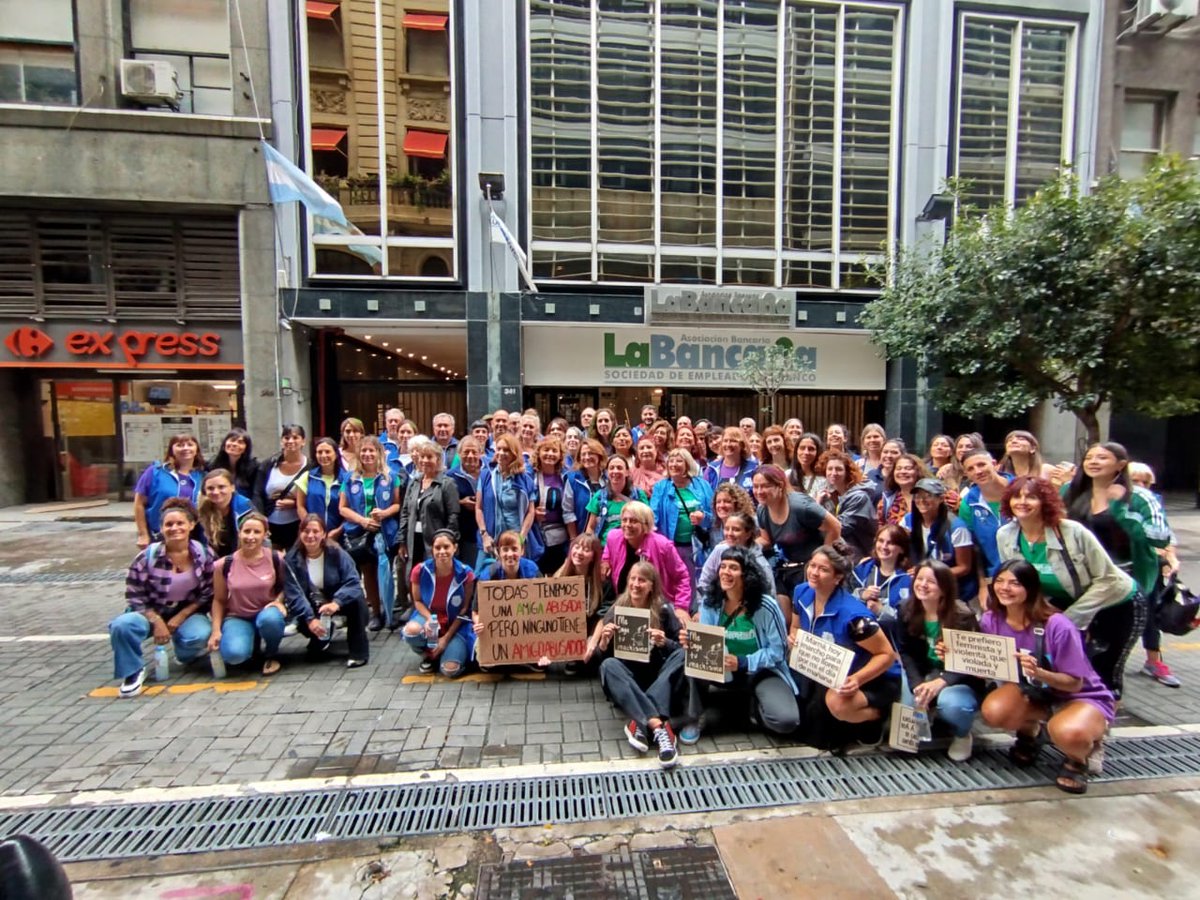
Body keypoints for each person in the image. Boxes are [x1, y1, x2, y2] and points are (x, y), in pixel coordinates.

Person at [997, 476, 1141, 698]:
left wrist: (1068, 619)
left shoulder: (1072, 532)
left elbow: (1108, 579)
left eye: (1031, 497)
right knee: (1065, 667)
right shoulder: (1005, 535)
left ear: (1045, 502)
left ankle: (1100, 724)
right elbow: (1021, 582)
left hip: (1115, 603)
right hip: (1064, 604)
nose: (1022, 502)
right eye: (1017, 496)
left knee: (1104, 672)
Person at [979, 560, 1115, 794]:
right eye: (1000, 581)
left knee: (1069, 733)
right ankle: (1030, 732)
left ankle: (1079, 757)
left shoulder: (1057, 625)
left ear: (1030, 588)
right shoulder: (991, 620)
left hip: (1080, 696)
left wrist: (1040, 673)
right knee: (994, 710)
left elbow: (1075, 682)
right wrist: (952, 654)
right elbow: (991, 663)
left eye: (1015, 583)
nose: (1005, 588)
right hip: (1034, 693)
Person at [1062, 443, 1172, 684]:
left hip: (1127, 581)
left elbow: (1159, 536)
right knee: (1082, 640)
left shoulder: (1140, 497)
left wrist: (1121, 509)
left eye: (1102, 457)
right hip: (1084, 580)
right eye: (1089, 457)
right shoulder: (1072, 491)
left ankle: (1108, 695)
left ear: (1121, 465)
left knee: (1113, 648)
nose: (1093, 461)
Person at [789, 542, 901, 749]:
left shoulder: (854, 617)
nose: (814, 572)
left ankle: (879, 716)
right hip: (827, 668)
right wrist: (794, 637)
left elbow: (886, 656)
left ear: (838, 577)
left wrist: (857, 679)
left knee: (837, 704)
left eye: (823, 570)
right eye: (812, 565)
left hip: (872, 677)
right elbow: (795, 627)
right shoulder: (801, 592)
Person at [682, 546, 799, 742]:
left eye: (733, 568)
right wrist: (692, 642)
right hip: (719, 669)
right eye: (723, 566)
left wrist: (742, 662)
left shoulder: (766, 606)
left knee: (786, 722)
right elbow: (706, 642)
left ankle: (755, 705)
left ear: (747, 575)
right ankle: (694, 716)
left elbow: (778, 652)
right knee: (689, 662)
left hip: (760, 671)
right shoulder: (711, 602)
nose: (726, 572)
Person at [111, 498, 215, 697]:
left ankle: (184, 655)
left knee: (200, 634)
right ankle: (133, 670)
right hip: (150, 611)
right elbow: (134, 596)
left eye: (180, 523)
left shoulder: (204, 554)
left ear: (191, 525)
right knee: (121, 626)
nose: (174, 528)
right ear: (161, 528)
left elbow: (207, 594)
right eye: (169, 524)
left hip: (185, 612)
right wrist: (157, 620)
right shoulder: (145, 558)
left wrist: (181, 616)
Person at [585, 560, 685, 767]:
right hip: (628, 676)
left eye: (642, 580)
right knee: (608, 666)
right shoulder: (618, 608)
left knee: (684, 658)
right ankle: (658, 727)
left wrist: (664, 642)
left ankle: (639, 722)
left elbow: (680, 650)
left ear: (652, 586)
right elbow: (600, 660)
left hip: (656, 676)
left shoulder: (664, 610)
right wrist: (603, 642)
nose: (636, 584)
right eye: (633, 579)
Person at [896, 560, 983, 761]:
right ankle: (927, 718)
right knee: (911, 705)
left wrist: (940, 682)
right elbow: (906, 652)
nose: (923, 585)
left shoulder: (963, 616)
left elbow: (972, 660)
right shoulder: (905, 609)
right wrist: (917, 685)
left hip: (958, 678)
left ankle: (962, 734)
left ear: (945, 587)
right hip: (923, 670)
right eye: (920, 579)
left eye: (931, 582)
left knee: (952, 705)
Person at [753, 464, 842, 627]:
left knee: (803, 623)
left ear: (779, 485)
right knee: (783, 621)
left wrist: (822, 560)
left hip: (812, 569)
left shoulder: (800, 506)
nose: (759, 491)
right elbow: (766, 540)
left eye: (765, 486)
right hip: (786, 568)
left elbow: (835, 527)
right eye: (755, 486)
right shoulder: (762, 510)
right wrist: (742, 545)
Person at [207, 512, 290, 676]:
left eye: (256, 532)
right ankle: (251, 646)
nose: (250, 537)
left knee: (270, 620)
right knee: (234, 656)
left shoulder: (276, 558)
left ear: (265, 535)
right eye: (247, 531)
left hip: (267, 611)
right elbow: (219, 600)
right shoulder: (224, 564)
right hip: (237, 616)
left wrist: (280, 600)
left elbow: (287, 586)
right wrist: (216, 630)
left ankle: (271, 653)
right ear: (239, 532)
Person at [283, 514, 370, 668]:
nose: (310, 536)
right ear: (300, 533)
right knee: (303, 618)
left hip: (337, 599)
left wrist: (337, 602)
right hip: (311, 603)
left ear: (323, 533)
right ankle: (321, 636)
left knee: (356, 603)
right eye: (306, 531)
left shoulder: (337, 553)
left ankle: (358, 652)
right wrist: (310, 619)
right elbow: (294, 593)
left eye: (315, 531)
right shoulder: (291, 559)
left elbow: (353, 582)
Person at [339, 435, 403, 632]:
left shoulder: (391, 476)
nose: (367, 454)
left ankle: (390, 611)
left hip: (386, 533)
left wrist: (383, 514)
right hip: (360, 533)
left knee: (388, 573)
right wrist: (362, 520)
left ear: (379, 453)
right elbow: (343, 508)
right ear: (359, 454)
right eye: (364, 451)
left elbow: (397, 504)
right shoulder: (350, 478)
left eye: (371, 450)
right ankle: (375, 613)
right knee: (369, 574)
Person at [1129, 461, 1183, 686]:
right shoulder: (1111, 503)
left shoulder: (1152, 503)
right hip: (1119, 568)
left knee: (1150, 616)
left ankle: (1153, 661)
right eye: (1135, 481)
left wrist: (1171, 558)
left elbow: (1166, 535)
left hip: (1147, 569)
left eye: (1145, 482)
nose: (1141, 486)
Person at [601, 500, 692, 622]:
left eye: (633, 521)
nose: (627, 525)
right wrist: (605, 560)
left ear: (646, 525)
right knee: (603, 623)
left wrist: (681, 607)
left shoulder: (662, 545)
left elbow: (682, 576)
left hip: (656, 605)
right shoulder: (614, 537)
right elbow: (608, 547)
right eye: (624, 520)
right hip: (624, 602)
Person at [404, 529, 475, 677]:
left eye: (446, 547)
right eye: (437, 548)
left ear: (455, 548)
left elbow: (464, 610)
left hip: (455, 625)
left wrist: (445, 638)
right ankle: (428, 656)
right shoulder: (420, 570)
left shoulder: (466, 573)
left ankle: (450, 651)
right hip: (430, 618)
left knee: (450, 670)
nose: (442, 551)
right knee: (411, 631)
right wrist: (430, 619)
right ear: (432, 549)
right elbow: (417, 601)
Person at [398, 437, 461, 586]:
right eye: (422, 457)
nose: (425, 460)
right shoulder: (414, 482)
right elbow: (405, 512)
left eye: (429, 457)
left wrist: (447, 540)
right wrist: (402, 541)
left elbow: (453, 515)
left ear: (438, 460)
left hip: (436, 541)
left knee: (434, 579)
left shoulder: (447, 483)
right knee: (415, 578)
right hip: (414, 539)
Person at [649, 448, 714, 589]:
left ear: (688, 464)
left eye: (679, 461)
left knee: (697, 584)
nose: (674, 464)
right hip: (671, 546)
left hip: (697, 547)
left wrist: (703, 517)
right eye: (671, 461)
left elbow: (714, 516)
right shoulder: (661, 486)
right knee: (672, 584)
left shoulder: (702, 485)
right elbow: (653, 516)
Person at [904, 478, 977, 603]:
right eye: (917, 496)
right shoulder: (908, 521)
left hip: (954, 590)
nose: (921, 500)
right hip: (922, 586)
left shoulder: (956, 527)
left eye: (928, 496)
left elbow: (964, 567)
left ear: (941, 499)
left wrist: (929, 573)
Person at [476, 433, 543, 565]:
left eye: (506, 450)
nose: (501, 453)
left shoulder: (525, 479)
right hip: (491, 539)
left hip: (515, 540)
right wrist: (484, 535)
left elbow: (530, 512)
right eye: (498, 449)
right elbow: (478, 508)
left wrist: (521, 538)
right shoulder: (485, 476)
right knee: (481, 579)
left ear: (514, 453)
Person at [134, 432, 205, 549]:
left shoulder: (202, 475)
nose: (185, 448)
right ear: (172, 450)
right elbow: (139, 503)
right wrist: (143, 534)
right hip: (160, 535)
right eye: (180, 445)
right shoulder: (155, 472)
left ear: (196, 449)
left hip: (194, 536)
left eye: (190, 444)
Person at [957, 448, 1012, 579]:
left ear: (994, 464)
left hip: (1033, 574)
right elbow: (975, 547)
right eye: (971, 469)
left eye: (982, 464)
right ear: (966, 474)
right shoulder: (968, 503)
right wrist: (983, 583)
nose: (978, 471)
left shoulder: (1021, 489)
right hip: (997, 576)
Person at [252, 424, 308, 550]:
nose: (291, 441)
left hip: (297, 525)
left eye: (295, 437)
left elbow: (313, 495)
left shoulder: (310, 466)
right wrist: (261, 520)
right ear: (281, 441)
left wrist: (295, 503)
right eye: (286, 438)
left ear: (303, 441)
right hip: (270, 524)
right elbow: (257, 493)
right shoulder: (269, 464)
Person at [695, 511, 774, 598]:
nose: (729, 534)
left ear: (748, 534)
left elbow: (770, 597)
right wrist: (710, 606)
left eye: (736, 529)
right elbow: (704, 582)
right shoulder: (719, 550)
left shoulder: (761, 564)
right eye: (727, 529)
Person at [816, 450, 877, 562]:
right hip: (842, 555)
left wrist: (816, 508)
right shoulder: (831, 496)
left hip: (859, 557)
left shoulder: (859, 497)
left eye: (838, 469)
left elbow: (839, 527)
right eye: (830, 469)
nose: (833, 473)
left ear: (847, 472)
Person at [850, 525, 913, 627]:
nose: (884, 546)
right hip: (857, 634)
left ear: (902, 549)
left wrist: (881, 610)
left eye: (890, 543)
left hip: (889, 640)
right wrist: (861, 595)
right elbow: (845, 600)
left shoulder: (907, 581)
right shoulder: (862, 570)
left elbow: (907, 621)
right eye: (881, 541)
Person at [531, 437, 576, 574]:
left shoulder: (565, 477)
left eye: (554, 451)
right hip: (535, 536)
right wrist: (533, 513)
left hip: (559, 538)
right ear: (538, 453)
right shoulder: (530, 475)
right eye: (546, 450)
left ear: (560, 455)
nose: (550, 454)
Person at [584, 454, 648, 542]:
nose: (615, 471)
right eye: (611, 468)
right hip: (606, 549)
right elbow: (590, 527)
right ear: (607, 472)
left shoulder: (638, 495)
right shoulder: (599, 496)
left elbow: (647, 523)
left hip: (633, 547)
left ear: (627, 472)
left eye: (619, 468)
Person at [196, 468, 257, 559]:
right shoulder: (200, 510)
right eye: (210, 488)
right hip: (211, 562)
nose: (216, 492)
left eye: (221, 487)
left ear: (232, 487)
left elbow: (260, 536)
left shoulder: (245, 507)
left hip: (242, 559)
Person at [296, 437, 347, 542]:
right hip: (312, 536)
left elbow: (351, 509)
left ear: (336, 454)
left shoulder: (346, 479)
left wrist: (338, 531)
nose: (323, 455)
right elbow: (300, 506)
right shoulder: (308, 476)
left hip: (339, 536)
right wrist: (311, 528)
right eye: (319, 452)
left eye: (327, 452)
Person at [447, 436, 483, 567]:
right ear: (459, 454)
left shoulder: (490, 472)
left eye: (474, 452)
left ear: (481, 453)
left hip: (488, 530)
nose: (470, 455)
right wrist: (461, 503)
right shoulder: (450, 476)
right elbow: (445, 502)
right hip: (465, 533)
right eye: (466, 452)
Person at [877, 453, 928, 527]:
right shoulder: (887, 501)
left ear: (918, 471)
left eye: (908, 468)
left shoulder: (932, 496)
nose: (903, 472)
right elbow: (882, 529)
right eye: (898, 468)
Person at [208, 428, 258, 500]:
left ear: (246, 448)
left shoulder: (253, 467)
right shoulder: (212, 464)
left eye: (240, 442)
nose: (234, 444)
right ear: (224, 444)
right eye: (232, 440)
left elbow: (256, 493)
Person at [705, 427, 758, 494]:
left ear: (742, 445)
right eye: (725, 441)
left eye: (733, 441)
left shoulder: (754, 468)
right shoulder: (712, 470)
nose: (728, 444)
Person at [711, 483, 757, 548]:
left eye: (727, 501)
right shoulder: (715, 525)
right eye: (718, 502)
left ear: (737, 504)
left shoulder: (752, 522)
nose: (722, 505)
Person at [787, 433, 827, 500]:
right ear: (796, 451)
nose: (806, 452)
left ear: (818, 452)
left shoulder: (825, 478)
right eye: (802, 448)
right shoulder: (787, 476)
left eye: (811, 449)